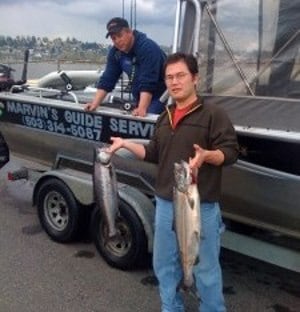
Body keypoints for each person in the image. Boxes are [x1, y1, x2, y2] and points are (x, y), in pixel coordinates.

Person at [107, 52, 239, 311]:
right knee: (164, 264)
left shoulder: (213, 114)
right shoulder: (164, 116)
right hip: (166, 205)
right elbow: (154, 153)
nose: (174, 82)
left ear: (195, 79)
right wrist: (126, 144)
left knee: (206, 269)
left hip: (201, 206)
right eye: (169, 77)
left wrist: (207, 156)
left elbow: (231, 152)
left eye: (180, 76)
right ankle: (171, 307)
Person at [84, 17, 166, 117]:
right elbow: (108, 79)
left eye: (119, 35)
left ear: (130, 32)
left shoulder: (147, 48)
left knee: (148, 114)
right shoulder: (115, 53)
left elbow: (148, 81)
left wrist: (142, 108)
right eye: (114, 38)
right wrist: (94, 104)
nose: (117, 41)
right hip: (140, 96)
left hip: (162, 95)